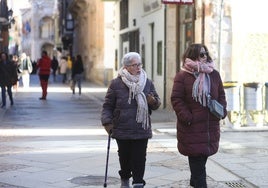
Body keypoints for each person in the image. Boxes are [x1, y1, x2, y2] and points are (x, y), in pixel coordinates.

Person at [170, 43, 227, 188]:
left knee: (201, 162)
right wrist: (188, 117)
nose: (205, 56)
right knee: (199, 166)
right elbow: (176, 99)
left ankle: (194, 182)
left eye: (206, 53)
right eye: (201, 54)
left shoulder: (214, 74)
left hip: (209, 127)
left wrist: (222, 110)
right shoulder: (183, 76)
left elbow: (221, 94)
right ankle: (198, 183)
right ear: (193, 56)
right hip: (192, 128)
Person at [101, 52, 161, 188]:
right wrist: (107, 123)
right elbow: (107, 106)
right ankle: (125, 181)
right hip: (122, 128)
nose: (138, 68)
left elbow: (157, 103)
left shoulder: (147, 82)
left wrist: (152, 101)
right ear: (126, 67)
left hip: (141, 128)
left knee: (140, 158)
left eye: (140, 64)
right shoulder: (116, 84)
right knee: (125, 157)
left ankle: (138, 183)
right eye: (135, 65)